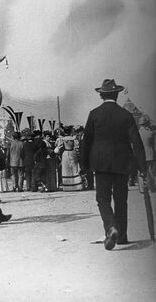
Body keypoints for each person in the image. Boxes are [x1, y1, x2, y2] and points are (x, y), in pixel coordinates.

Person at [81, 79, 146, 250]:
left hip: (100, 163)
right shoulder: (126, 115)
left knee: (102, 198)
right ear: (117, 95)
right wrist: (142, 168)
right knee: (121, 199)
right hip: (122, 163)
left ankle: (110, 226)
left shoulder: (94, 114)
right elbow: (137, 143)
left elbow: (86, 141)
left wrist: (84, 165)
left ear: (101, 95)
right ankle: (122, 236)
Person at [55, 126, 84, 191]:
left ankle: (67, 186)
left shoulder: (62, 139)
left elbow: (58, 148)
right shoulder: (74, 138)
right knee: (74, 168)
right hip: (72, 153)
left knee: (66, 169)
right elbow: (77, 147)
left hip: (65, 154)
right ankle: (76, 185)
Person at [138, 115, 155, 192]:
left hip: (140, 155)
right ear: (146, 124)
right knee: (151, 171)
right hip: (149, 154)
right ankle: (152, 187)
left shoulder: (137, 134)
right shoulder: (150, 133)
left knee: (140, 172)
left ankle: (142, 188)